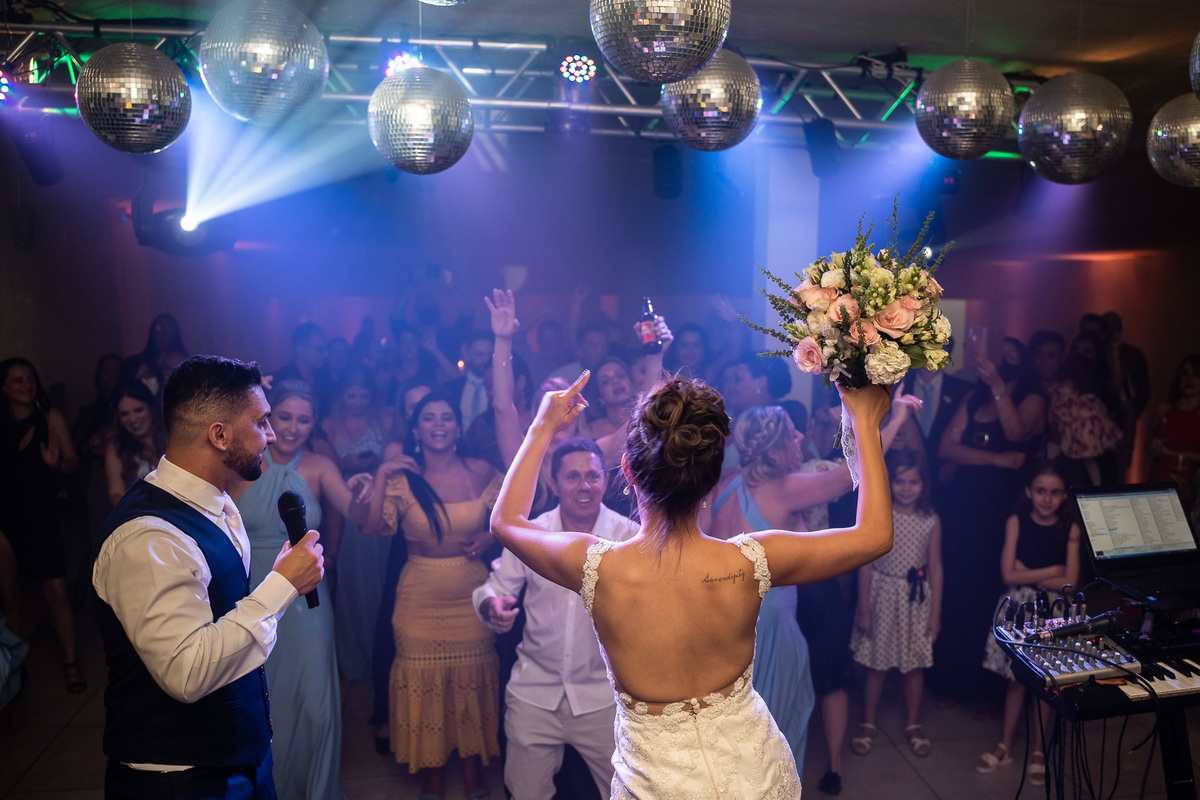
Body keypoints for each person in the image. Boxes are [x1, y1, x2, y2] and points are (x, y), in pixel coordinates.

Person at [491, 373, 895, 796]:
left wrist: (542, 428)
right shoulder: (749, 562)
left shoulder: (597, 568)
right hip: (754, 778)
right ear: (712, 478)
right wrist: (865, 421)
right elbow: (874, 535)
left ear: (627, 470)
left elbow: (505, 522)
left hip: (657, 786)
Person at [92, 355, 324, 800]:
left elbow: (223, 618)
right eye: (261, 422)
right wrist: (281, 587)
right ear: (219, 435)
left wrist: (282, 580)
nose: (272, 435)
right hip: (178, 777)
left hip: (241, 755)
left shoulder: (218, 504)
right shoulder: (149, 538)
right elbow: (188, 672)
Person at [228, 380, 372, 800]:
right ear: (268, 419)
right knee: (265, 695)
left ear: (315, 423)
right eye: (284, 417)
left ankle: (318, 789)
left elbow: (359, 515)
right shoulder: (244, 464)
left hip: (308, 598)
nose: (292, 428)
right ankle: (274, 787)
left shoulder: (321, 467)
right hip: (253, 591)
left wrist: (366, 488)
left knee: (315, 699)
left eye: (303, 420)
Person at [474, 437, 638, 799]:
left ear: (604, 481)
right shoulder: (532, 533)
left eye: (593, 476)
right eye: (573, 477)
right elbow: (494, 588)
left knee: (628, 793)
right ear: (554, 483)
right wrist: (492, 607)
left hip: (603, 699)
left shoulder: (629, 537)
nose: (584, 486)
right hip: (534, 693)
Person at [363, 390, 503, 800]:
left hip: (474, 597)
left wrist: (490, 536)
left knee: (471, 682)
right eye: (429, 418)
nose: (439, 424)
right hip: (418, 598)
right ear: (416, 429)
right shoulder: (403, 479)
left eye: (446, 417)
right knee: (423, 683)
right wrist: (380, 474)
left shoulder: (481, 471)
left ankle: (473, 767)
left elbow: (511, 517)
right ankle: (434, 771)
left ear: (457, 427)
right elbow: (372, 527)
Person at [976, 460, 1080, 787]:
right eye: (1040, 491)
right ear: (1028, 491)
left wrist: (1030, 573)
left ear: (1064, 495)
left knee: (1045, 684)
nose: (1046, 498)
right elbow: (1008, 574)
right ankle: (1005, 743)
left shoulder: (1071, 529)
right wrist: (1052, 571)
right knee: (1016, 680)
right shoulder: (1016, 520)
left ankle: (1038, 749)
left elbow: (1071, 584)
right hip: (1019, 610)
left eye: (1054, 492)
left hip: (1055, 612)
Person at [849, 448, 942, 759]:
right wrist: (864, 609)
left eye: (913, 482)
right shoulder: (881, 514)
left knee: (914, 667)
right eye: (899, 481)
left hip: (915, 600)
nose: (905, 488)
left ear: (923, 484)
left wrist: (935, 615)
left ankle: (913, 724)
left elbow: (935, 567)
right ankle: (868, 723)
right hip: (882, 597)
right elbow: (867, 564)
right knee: (877, 667)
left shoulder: (930, 519)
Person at [0, 357, 82, 691]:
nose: (25, 385)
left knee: (58, 593)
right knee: (9, 597)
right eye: (17, 380)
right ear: (4, 386)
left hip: (43, 514)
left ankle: (71, 662)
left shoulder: (50, 418)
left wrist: (58, 463)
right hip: (5, 519)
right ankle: (16, 672)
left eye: (30, 378)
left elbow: (75, 463)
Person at [1148, 354, 1200, 514]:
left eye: (1196, 374)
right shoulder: (1167, 409)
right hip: (1159, 478)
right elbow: (1149, 447)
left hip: (1187, 486)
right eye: (1185, 373)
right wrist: (1153, 446)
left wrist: (1171, 454)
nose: (1189, 379)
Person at [105, 381, 168, 508]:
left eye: (138, 410)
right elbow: (115, 493)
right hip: (136, 516)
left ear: (150, 408)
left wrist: (153, 459)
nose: (133, 419)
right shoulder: (116, 447)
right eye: (125, 414)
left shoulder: (170, 436)